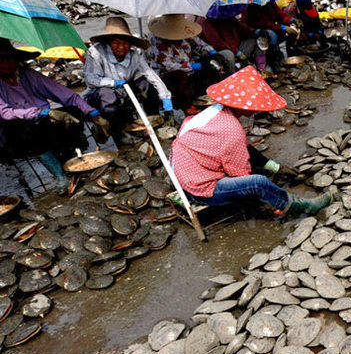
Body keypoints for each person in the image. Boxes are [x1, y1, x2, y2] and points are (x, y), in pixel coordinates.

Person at [171, 66, 333, 215]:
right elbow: (240, 173)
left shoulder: (216, 111)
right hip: (197, 188)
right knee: (258, 182)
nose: (256, 110)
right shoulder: (231, 129)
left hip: (188, 171)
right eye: (255, 106)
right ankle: (301, 207)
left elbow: (245, 149)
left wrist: (276, 168)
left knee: (258, 170)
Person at [0, 40, 100, 192]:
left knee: (72, 111)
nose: (7, 64)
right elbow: (5, 113)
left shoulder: (29, 75)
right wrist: (40, 113)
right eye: (1, 60)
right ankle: (60, 176)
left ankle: (73, 158)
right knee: (27, 129)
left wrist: (92, 113)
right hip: (15, 130)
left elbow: (67, 95)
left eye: (9, 58)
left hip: (42, 121)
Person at [84, 17, 173, 137]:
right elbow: (90, 79)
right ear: (109, 42)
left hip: (124, 91)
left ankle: (154, 120)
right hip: (100, 96)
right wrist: (112, 83)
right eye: (116, 43)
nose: (121, 47)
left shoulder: (135, 55)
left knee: (145, 84)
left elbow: (150, 74)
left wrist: (166, 98)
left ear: (130, 44)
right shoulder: (96, 52)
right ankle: (118, 133)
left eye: (125, 43)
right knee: (107, 94)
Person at [147, 15, 229, 112]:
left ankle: (214, 97)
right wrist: (194, 67)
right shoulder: (157, 43)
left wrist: (212, 52)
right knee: (180, 76)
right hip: (169, 74)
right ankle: (187, 107)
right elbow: (170, 66)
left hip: (190, 68)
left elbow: (200, 44)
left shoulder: (185, 34)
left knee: (213, 69)